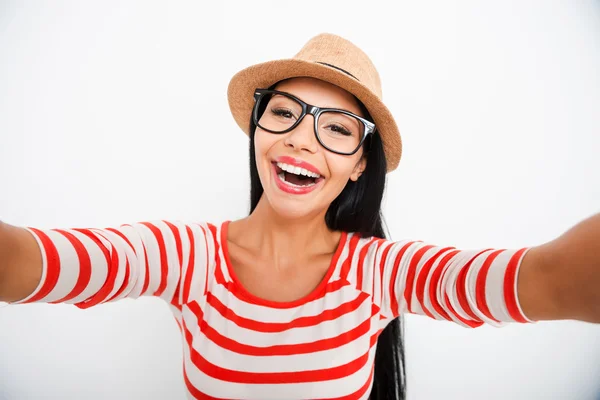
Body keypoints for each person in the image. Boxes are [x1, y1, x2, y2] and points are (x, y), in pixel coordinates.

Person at [0, 33, 598, 400]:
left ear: (361, 166)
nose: (302, 141)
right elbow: (30, 262)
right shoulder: (185, 257)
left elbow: (541, 279)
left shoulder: (381, 271)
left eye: (337, 128)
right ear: (257, 127)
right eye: (284, 112)